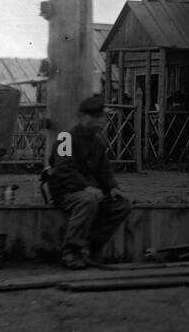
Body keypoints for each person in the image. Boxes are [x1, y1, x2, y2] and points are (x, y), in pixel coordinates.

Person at [47, 94, 133, 269]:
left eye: (101, 118)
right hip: (65, 191)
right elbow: (64, 171)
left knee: (122, 205)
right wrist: (86, 187)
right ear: (81, 117)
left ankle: (92, 246)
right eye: (94, 117)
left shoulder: (97, 143)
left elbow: (104, 171)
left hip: (90, 192)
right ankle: (71, 252)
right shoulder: (66, 138)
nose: (99, 122)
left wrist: (113, 188)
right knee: (88, 200)